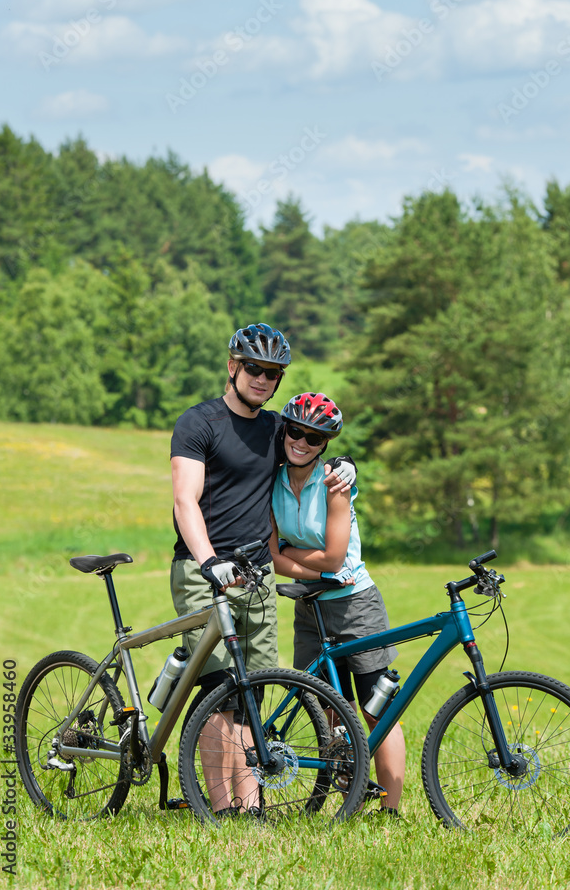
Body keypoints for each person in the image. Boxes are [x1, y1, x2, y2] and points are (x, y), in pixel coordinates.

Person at [169, 324, 355, 814]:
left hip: (257, 576)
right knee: (218, 690)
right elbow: (185, 501)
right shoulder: (198, 423)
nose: (263, 379)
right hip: (204, 569)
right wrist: (209, 561)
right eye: (254, 368)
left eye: (273, 373)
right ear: (233, 367)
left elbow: (308, 445)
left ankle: (250, 805)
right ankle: (219, 806)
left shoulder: (277, 428)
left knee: (253, 692)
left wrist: (345, 464)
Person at [270, 392, 406, 815]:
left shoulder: (335, 482)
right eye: (295, 431)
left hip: (355, 605)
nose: (302, 442)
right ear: (285, 431)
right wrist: (315, 572)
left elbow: (334, 554)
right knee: (329, 707)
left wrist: (294, 557)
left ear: (326, 444)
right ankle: (350, 797)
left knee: (374, 708)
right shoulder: (270, 480)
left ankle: (391, 811)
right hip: (308, 607)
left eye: (314, 437)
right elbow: (273, 557)